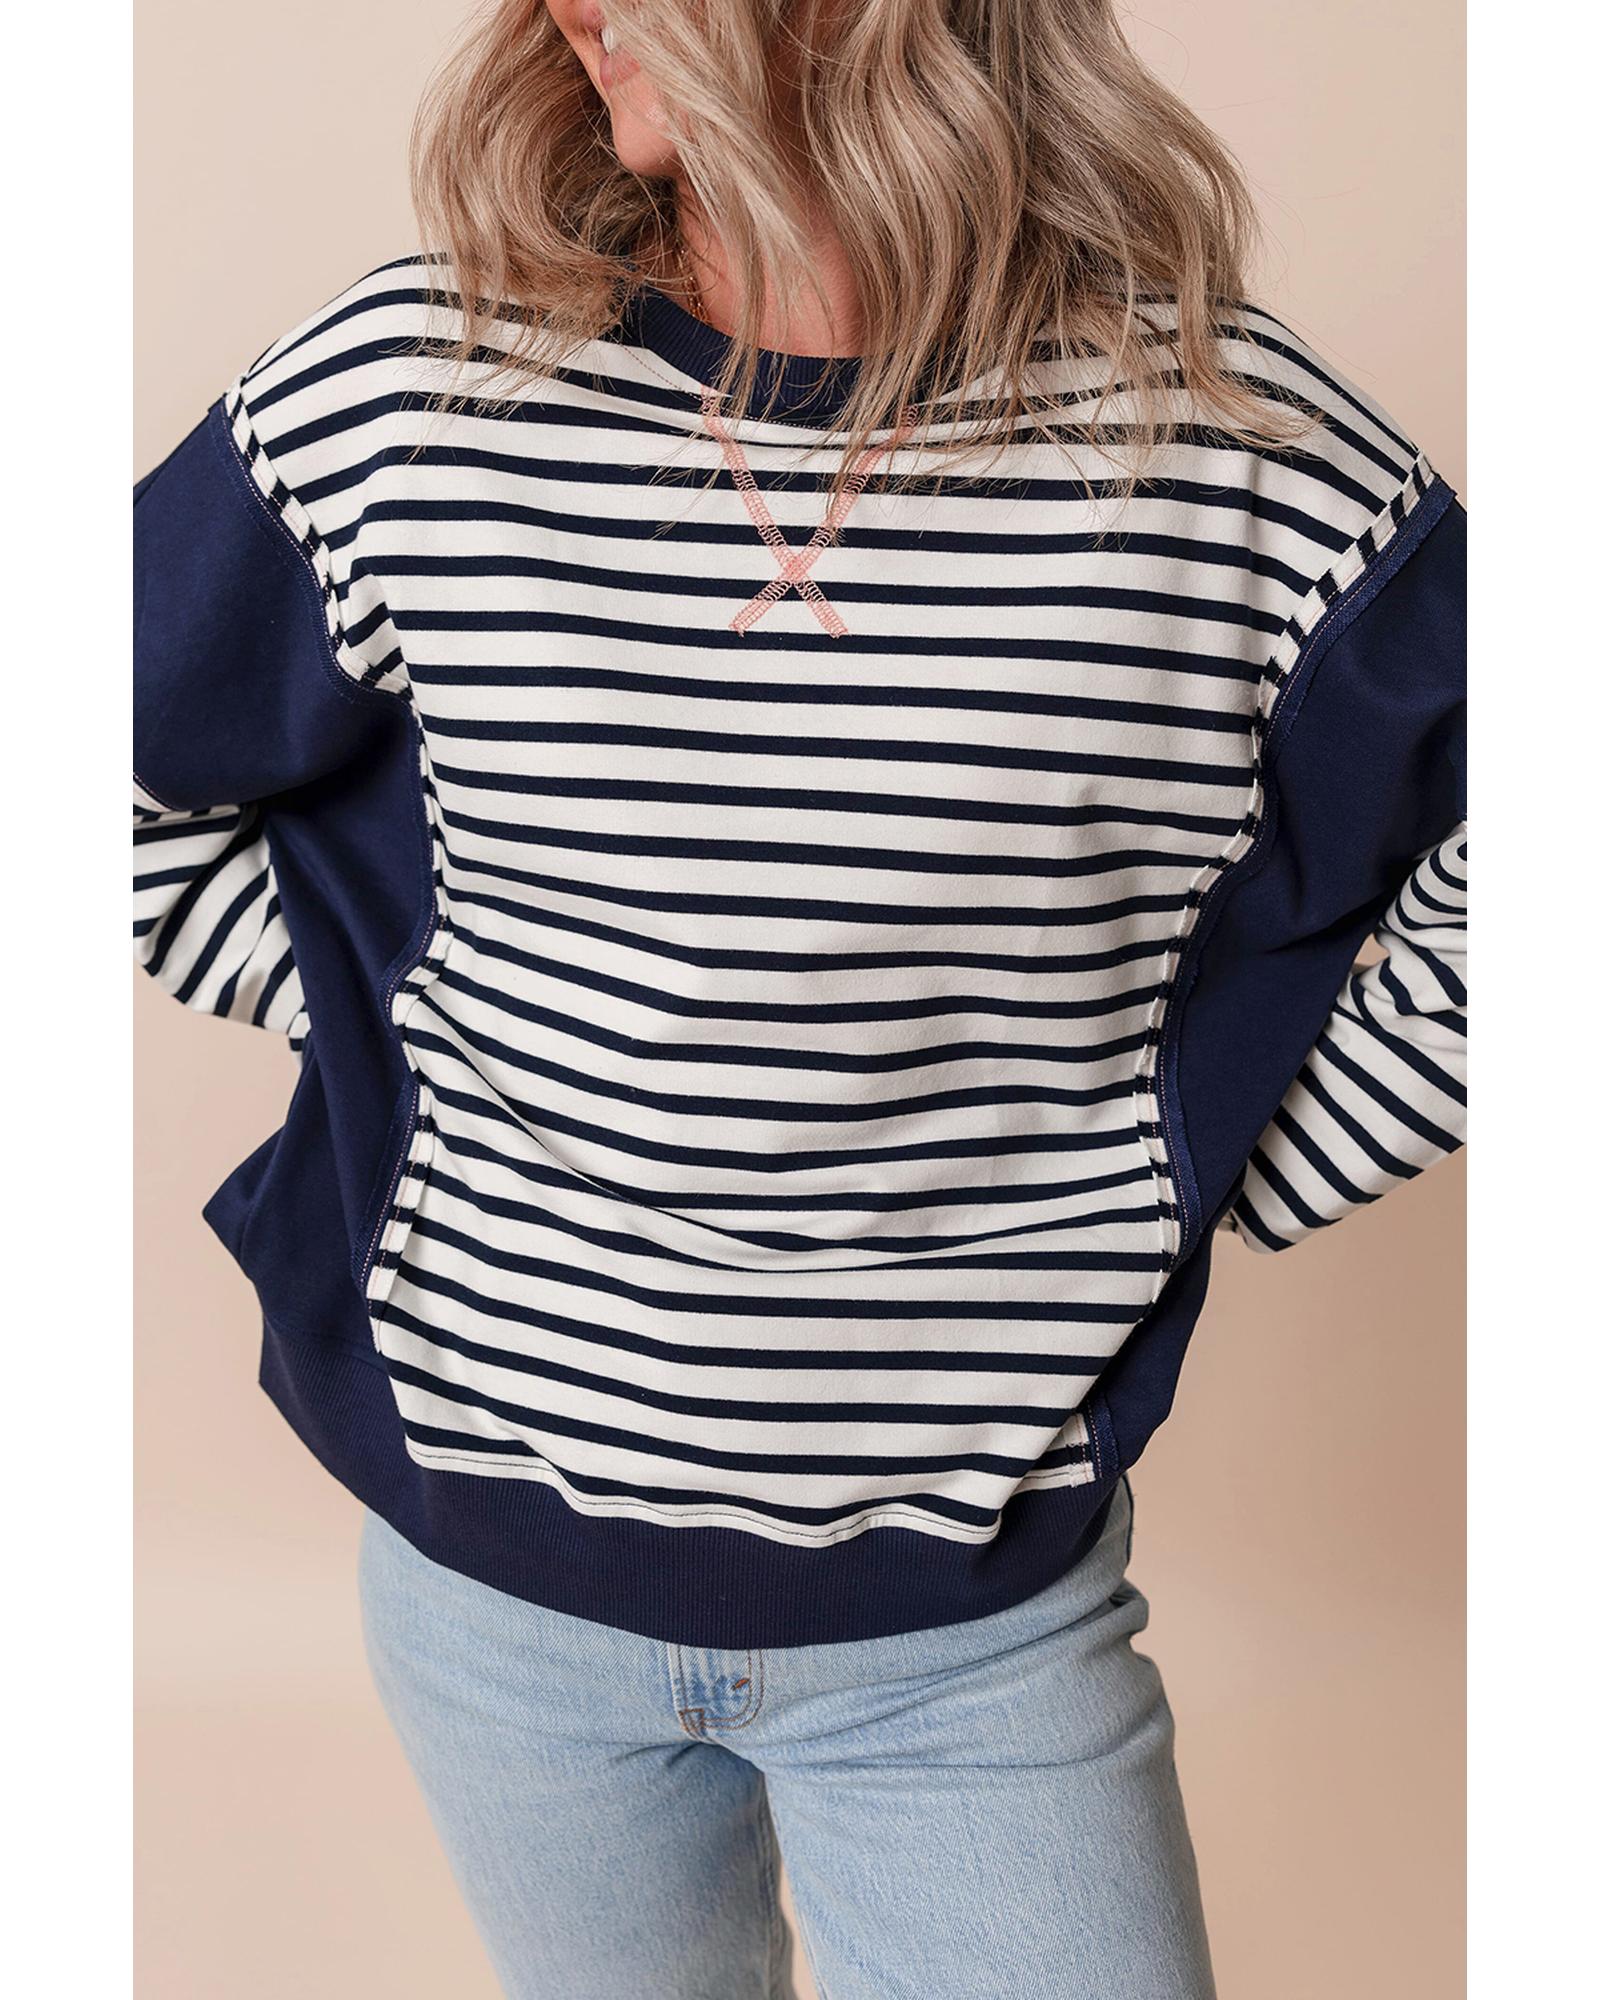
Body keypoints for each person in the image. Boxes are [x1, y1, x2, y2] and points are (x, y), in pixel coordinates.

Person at [132, 3, 1466, 1995]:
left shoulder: (1230, 455)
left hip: (972, 1638)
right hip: (491, 1596)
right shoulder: (414, 394)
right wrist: (393, 1025)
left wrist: (1222, 1155)